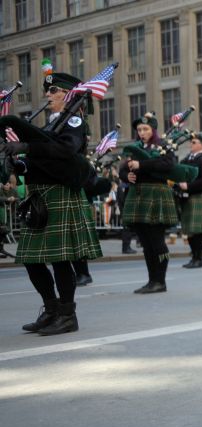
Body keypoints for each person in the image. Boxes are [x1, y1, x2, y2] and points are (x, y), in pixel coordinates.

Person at [2, 71, 102, 335]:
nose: (48, 94)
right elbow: (38, 160)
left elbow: (65, 151)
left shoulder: (75, 122)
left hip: (59, 193)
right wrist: (18, 162)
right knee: (31, 259)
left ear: (68, 95)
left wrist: (28, 147)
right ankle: (51, 309)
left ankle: (68, 315)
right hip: (40, 195)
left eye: (54, 90)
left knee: (59, 259)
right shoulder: (49, 125)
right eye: (48, 91)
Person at [119, 112, 178, 294]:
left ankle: (161, 281)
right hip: (138, 194)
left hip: (156, 193)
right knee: (145, 241)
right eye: (139, 129)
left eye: (145, 129)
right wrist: (125, 175)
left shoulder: (163, 145)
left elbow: (169, 165)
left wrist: (141, 166)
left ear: (153, 130)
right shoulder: (134, 147)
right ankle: (152, 280)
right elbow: (122, 169)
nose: (142, 132)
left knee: (157, 241)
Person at [178, 133, 202, 269]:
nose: (191, 144)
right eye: (191, 142)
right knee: (189, 230)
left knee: (197, 231)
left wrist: (188, 186)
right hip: (187, 197)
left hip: (199, 196)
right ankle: (194, 257)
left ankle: (198, 259)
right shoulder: (186, 159)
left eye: (194, 142)